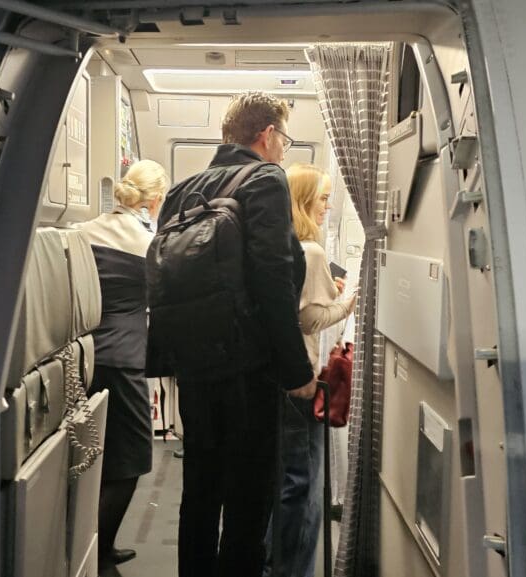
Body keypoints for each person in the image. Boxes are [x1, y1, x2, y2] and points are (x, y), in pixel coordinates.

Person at [152, 92, 317, 577]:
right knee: (248, 498)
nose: (284, 149)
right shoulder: (265, 178)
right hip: (249, 368)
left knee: (200, 490)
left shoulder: (182, 189)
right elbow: (273, 274)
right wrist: (296, 371)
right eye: (284, 138)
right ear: (266, 135)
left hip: (196, 365)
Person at [76, 159, 170, 571]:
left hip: (86, 355)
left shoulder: (83, 232)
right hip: (128, 357)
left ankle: (96, 546)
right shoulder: (148, 242)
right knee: (131, 460)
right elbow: (163, 298)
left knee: (93, 456)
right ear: (155, 200)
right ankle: (100, 556)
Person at [266, 163, 357, 577]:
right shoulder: (312, 251)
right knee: (305, 488)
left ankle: (271, 562)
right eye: (322, 197)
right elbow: (311, 319)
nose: (327, 205)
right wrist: (349, 300)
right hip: (302, 381)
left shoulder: (278, 246)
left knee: (280, 482)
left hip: (273, 380)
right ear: (304, 200)